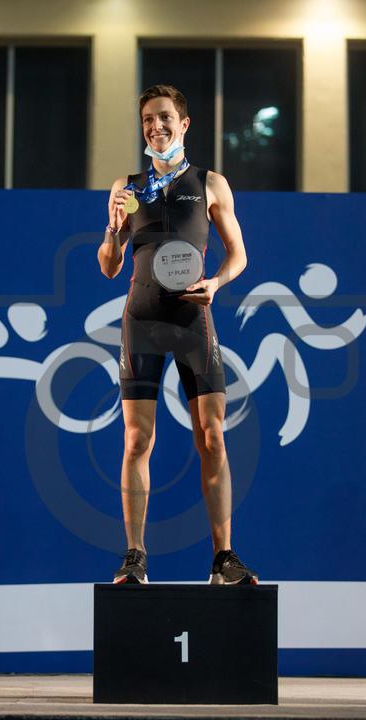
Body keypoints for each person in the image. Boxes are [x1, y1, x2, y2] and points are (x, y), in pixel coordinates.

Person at [97, 84, 259, 586]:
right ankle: (135, 557)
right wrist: (113, 229)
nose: (156, 126)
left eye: (164, 117)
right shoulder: (127, 187)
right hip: (142, 319)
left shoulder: (211, 183)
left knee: (212, 436)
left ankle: (223, 559)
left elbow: (239, 255)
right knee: (136, 440)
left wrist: (216, 283)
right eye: (148, 119)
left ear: (183, 124)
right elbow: (109, 267)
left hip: (193, 320)